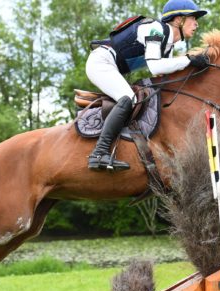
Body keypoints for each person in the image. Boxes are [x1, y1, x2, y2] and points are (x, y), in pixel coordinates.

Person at [86, 0, 209, 171]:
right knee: (129, 98)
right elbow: (156, 66)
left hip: (109, 64)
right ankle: (99, 153)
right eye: (193, 18)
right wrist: (189, 59)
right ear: (179, 20)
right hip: (100, 63)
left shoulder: (168, 44)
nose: (196, 23)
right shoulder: (156, 29)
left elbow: (162, 76)